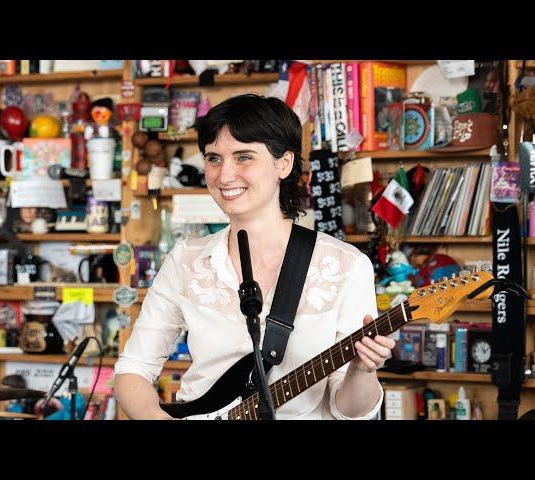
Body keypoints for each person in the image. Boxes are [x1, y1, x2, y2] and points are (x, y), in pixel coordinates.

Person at [114, 94, 395, 420]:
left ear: (284, 163)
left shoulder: (346, 266)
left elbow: (349, 410)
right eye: (214, 158)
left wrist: (362, 369)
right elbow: (132, 370)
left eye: (243, 157)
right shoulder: (186, 260)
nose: (224, 175)